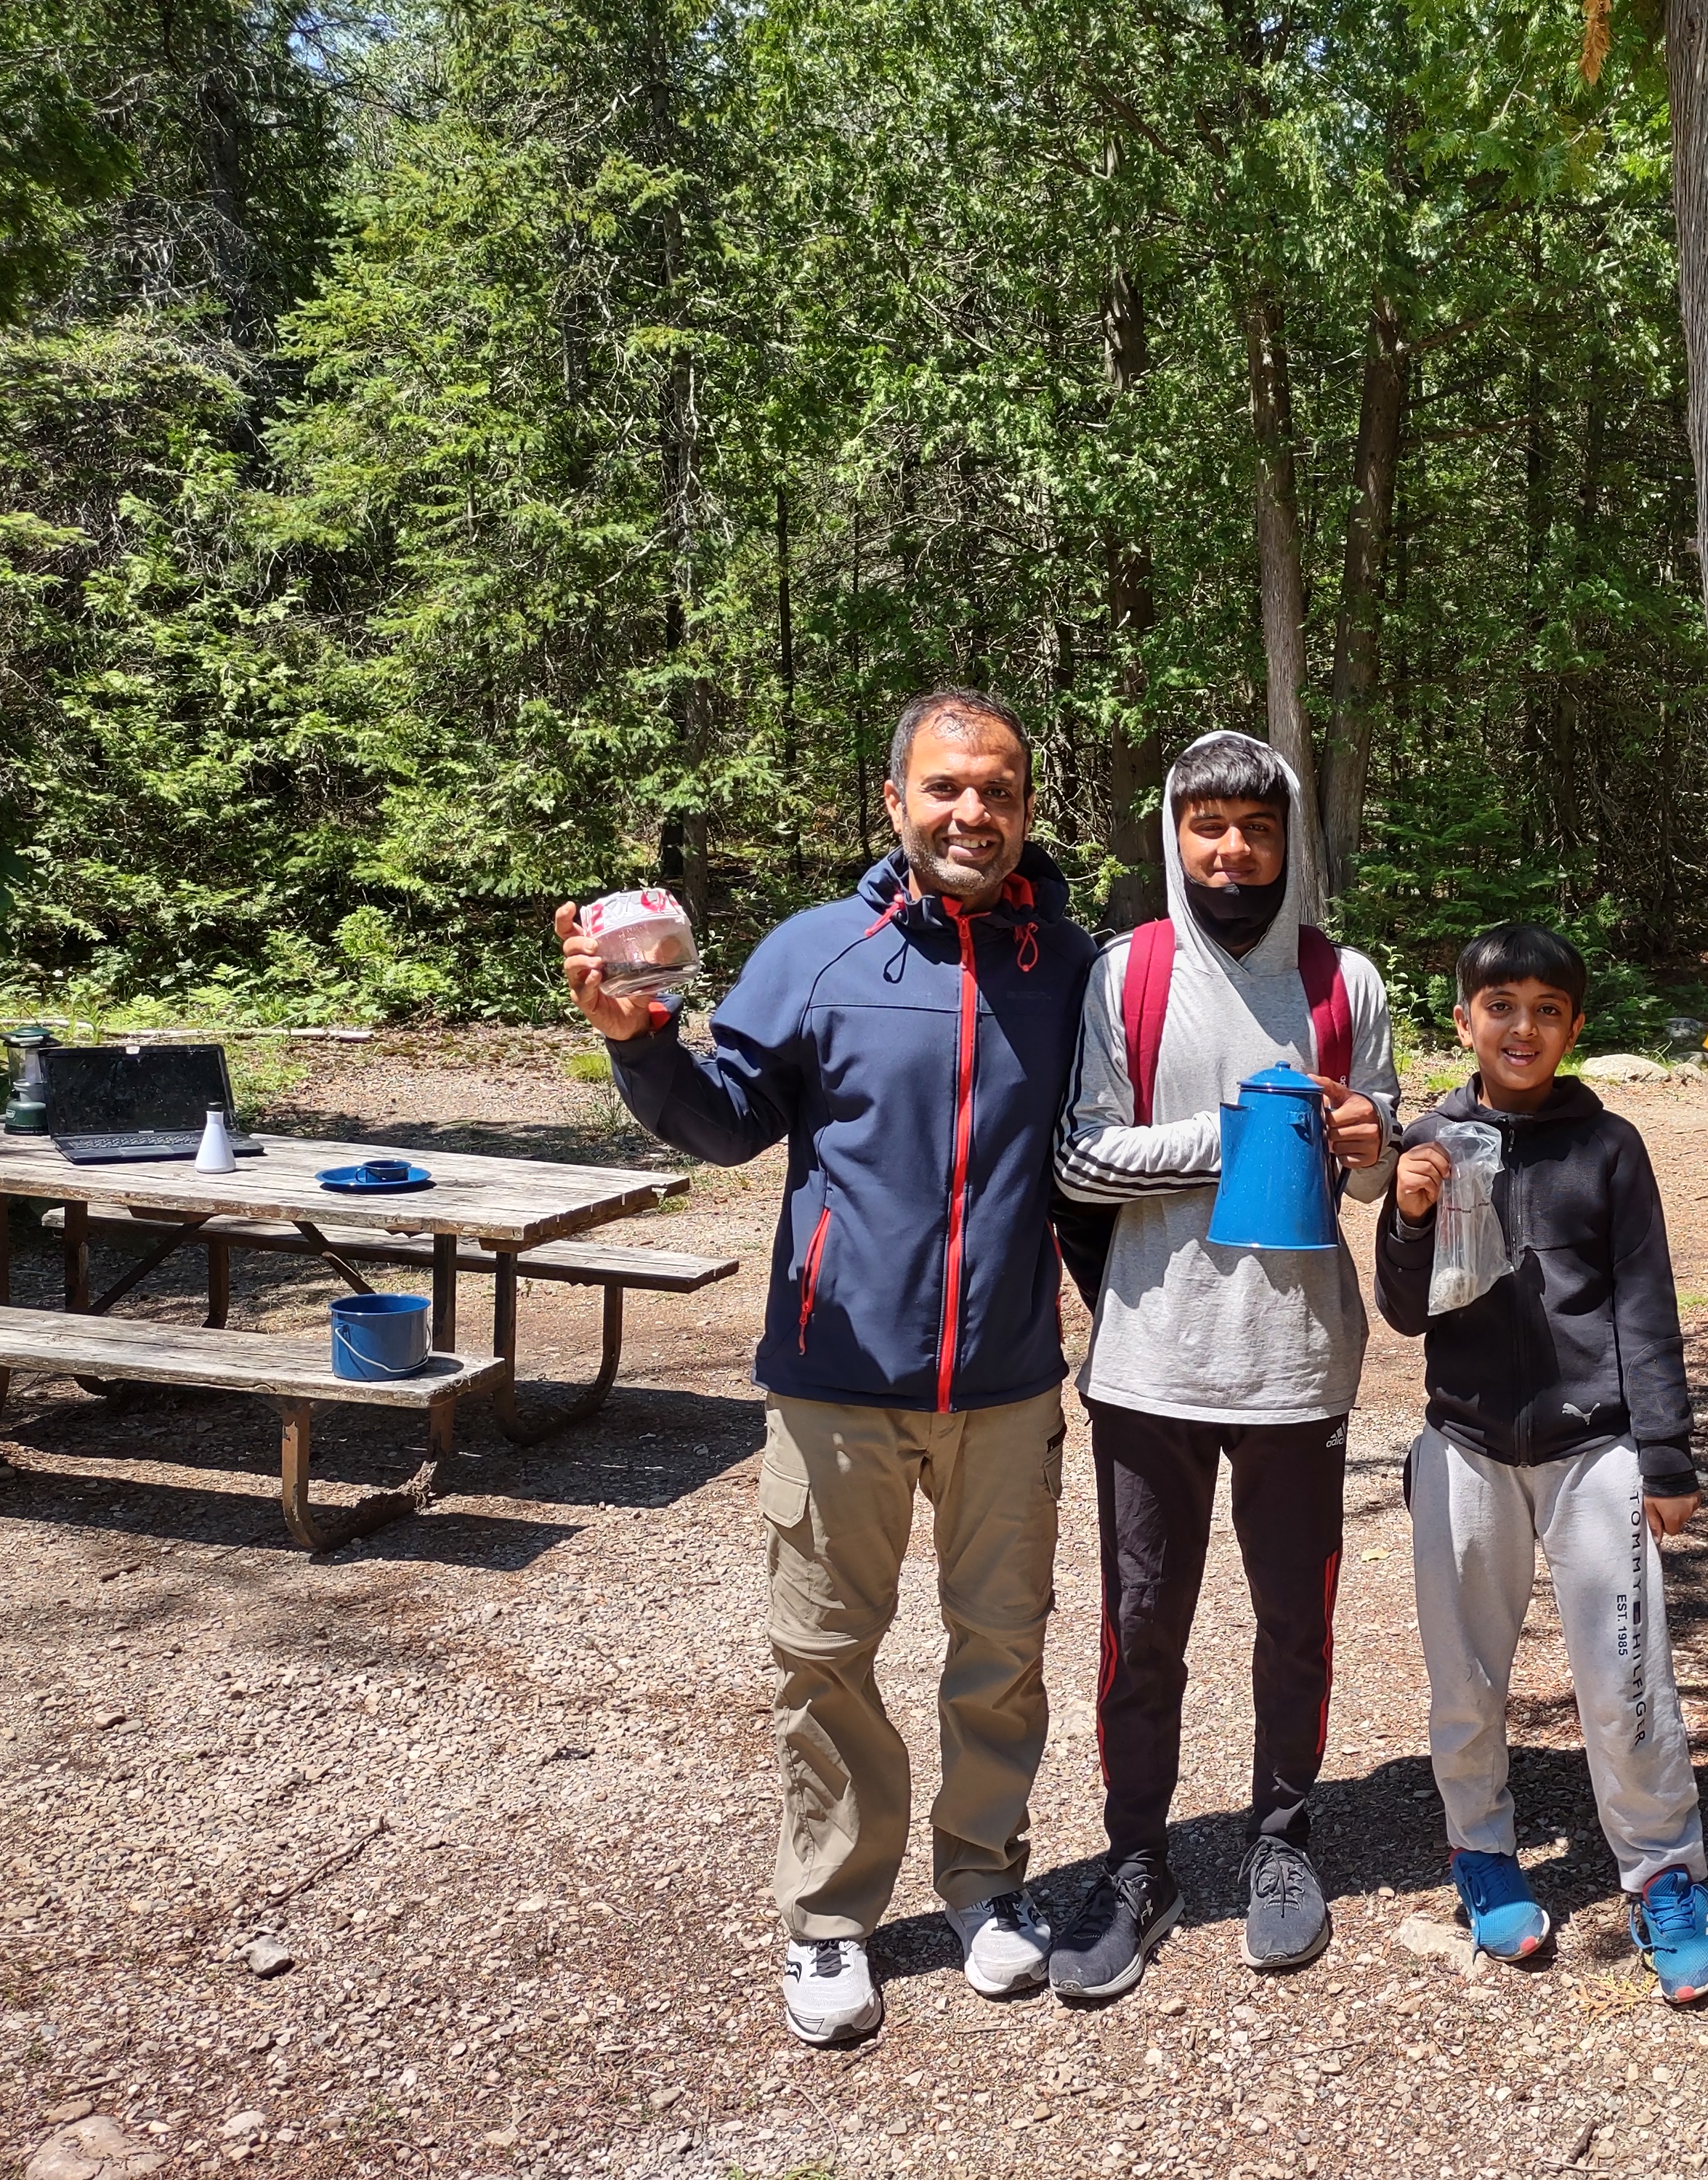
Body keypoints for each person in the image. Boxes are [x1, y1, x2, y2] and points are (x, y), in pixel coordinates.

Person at [556, 690, 1096, 2046]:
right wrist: (639, 1041)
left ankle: (985, 1885)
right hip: (836, 1375)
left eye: (999, 789)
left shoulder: (1070, 966)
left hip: (1008, 1379)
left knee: (1001, 1648)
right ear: (896, 801)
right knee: (825, 1657)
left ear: (1027, 808)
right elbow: (728, 1121)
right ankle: (831, 1918)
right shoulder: (816, 950)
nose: (973, 812)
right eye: (946, 787)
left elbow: (1097, 1160)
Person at [1051, 730, 1399, 1999]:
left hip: (1297, 1365)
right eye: (1208, 826)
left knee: (1295, 1623)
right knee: (1142, 1626)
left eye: (1256, 828)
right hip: (1150, 1361)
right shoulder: (1127, 975)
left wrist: (1363, 1138)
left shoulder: (1344, 980)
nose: (1233, 850)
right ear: (1174, 834)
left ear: (1289, 839)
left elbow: (1376, 1171)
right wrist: (1238, 1133)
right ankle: (1137, 1862)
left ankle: (1282, 1840)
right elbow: (1080, 1159)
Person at [1376, 924, 1708, 2006]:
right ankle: (1481, 1850)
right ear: (1463, 1022)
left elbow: (1647, 1305)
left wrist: (1666, 1456)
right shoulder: (1431, 1141)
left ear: (1574, 1027)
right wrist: (1410, 1215)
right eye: (1501, 1007)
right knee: (1466, 1677)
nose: (1521, 1028)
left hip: (1597, 1452)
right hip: (1464, 1446)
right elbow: (1403, 1312)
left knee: (1626, 1677)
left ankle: (1663, 1872)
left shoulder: (1609, 1146)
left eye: (1546, 1010)